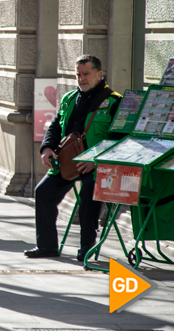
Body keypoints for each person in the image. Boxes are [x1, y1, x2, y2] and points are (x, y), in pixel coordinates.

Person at [24, 55, 122, 262]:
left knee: (88, 192)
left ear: (99, 74)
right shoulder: (69, 98)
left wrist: (95, 160)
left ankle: (86, 246)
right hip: (68, 162)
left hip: (96, 165)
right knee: (42, 192)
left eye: (86, 74)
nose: (82, 79)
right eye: (78, 75)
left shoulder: (114, 101)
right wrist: (47, 148)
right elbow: (55, 126)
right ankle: (47, 245)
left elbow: (118, 139)